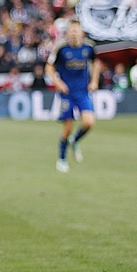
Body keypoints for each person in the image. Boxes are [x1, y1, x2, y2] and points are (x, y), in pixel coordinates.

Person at [45, 20, 101, 173]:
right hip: (67, 94)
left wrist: (94, 80)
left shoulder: (89, 47)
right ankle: (62, 159)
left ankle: (74, 141)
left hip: (83, 92)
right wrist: (58, 82)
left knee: (89, 123)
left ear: (82, 32)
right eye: (72, 30)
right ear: (68, 33)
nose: (75, 33)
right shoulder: (61, 48)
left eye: (77, 30)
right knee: (67, 127)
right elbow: (49, 67)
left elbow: (96, 63)